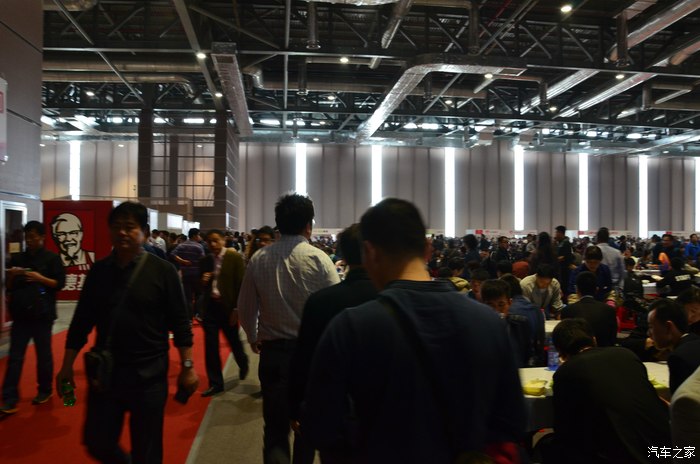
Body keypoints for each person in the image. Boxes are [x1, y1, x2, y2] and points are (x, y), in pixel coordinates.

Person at [302, 198, 526, 463]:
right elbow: (511, 422)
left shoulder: (349, 327)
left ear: (369, 252)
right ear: (428, 249)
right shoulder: (489, 323)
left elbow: (320, 427)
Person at [55, 201, 199, 463]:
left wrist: (187, 366)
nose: (122, 232)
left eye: (129, 227)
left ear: (144, 232)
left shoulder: (163, 271)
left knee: (147, 451)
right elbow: (81, 322)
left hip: (149, 376)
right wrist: (66, 366)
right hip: (107, 373)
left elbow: (181, 324)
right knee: (97, 442)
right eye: (116, 227)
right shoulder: (99, 272)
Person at [238, 193, 340, 464]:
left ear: (278, 224)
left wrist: (253, 337)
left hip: (273, 354)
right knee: (306, 428)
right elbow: (336, 308)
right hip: (311, 357)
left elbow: (245, 307)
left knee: (275, 430)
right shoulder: (320, 259)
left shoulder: (259, 259)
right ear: (309, 225)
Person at [288, 224, 378, 459]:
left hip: (334, 415)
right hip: (384, 415)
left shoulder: (320, 301)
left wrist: (295, 408)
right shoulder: (390, 298)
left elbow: (304, 359)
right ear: (374, 251)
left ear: (342, 255)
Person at [545, 318, 670, 464]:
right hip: (667, 451)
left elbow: (564, 429)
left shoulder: (566, 372)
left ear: (560, 353)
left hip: (622, 457)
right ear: (594, 340)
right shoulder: (626, 355)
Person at [0, 221, 65, 416]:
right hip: (21, 316)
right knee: (15, 358)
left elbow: (59, 284)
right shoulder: (18, 258)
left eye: (33, 237)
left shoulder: (52, 259)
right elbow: (9, 287)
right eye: (27, 237)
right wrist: (12, 275)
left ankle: (45, 389)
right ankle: (9, 398)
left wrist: (39, 278)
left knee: (43, 356)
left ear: (42, 237)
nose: (29, 240)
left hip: (42, 316)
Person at [199, 229, 249, 397]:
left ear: (223, 240)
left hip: (228, 308)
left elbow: (241, 284)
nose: (212, 244)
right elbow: (199, 287)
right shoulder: (206, 260)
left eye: (216, 240)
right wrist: (203, 281)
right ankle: (215, 383)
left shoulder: (234, 257)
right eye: (209, 241)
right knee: (211, 347)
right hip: (210, 308)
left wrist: (236, 309)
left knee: (233, 341)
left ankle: (243, 361)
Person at [647, 298, 700, 395]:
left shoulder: (678, 358)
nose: (648, 333)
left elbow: (680, 402)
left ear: (668, 327)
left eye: (651, 327)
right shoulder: (696, 341)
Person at [481, 279, 533, 367]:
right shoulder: (476, 328)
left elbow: (529, 356)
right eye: (490, 305)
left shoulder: (521, 324)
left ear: (510, 303)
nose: (496, 310)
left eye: (501, 305)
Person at [561, 271, 618, 347]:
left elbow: (565, 341)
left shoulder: (567, 311)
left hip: (577, 353)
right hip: (604, 352)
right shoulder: (609, 310)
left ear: (577, 289)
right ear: (596, 289)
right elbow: (612, 339)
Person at [171, 228, 206, 319]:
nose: (199, 237)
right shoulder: (199, 246)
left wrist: (183, 261)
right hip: (197, 274)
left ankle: (189, 317)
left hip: (185, 274)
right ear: (194, 236)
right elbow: (203, 259)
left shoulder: (181, 245)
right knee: (199, 295)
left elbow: (173, 254)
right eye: (198, 235)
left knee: (188, 297)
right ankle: (197, 313)